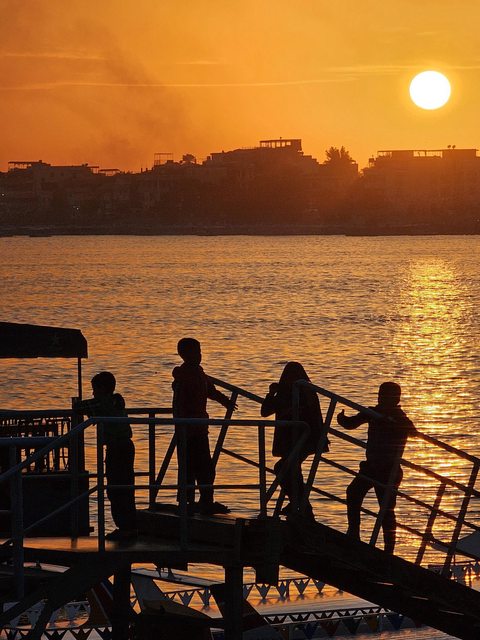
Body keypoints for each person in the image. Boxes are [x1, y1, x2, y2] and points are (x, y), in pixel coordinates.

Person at [337, 381, 415, 554]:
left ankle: (389, 549)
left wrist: (391, 421)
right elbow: (352, 423)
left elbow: (413, 431)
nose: (380, 399)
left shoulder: (400, 417)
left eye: (385, 396)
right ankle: (354, 533)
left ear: (395, 399)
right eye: (380, 395)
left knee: (386, 509)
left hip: (389, 470)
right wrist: (342, 419)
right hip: (371, 467)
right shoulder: (373, 413)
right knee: (353, 493)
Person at [172, 337, 235, 515]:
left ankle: (205, 500)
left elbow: (210, 390)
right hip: (187, 429)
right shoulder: (184, 375)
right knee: (189, 467)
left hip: (200, 428)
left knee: (205, 467)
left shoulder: (199, 372)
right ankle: (188, 502)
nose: (200, 355)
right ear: (184, 354)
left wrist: (225, 401)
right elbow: (180, 402)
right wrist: (181, 423)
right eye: (196, 352)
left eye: (200, 351)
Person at [75, 371, 137, 541]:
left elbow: (78, 408)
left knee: (115, 488)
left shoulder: (103, 402)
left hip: (116, 448)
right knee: (126, 487)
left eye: (94, 389)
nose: (93, 393)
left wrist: (77, 402)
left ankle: (125, 527)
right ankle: (129, 526)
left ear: (102, 389)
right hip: (126, 446)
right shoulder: (117, 401)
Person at [261, 362, 327, 518]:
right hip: (292, 440)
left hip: (305, 439)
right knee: (291, 470)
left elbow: (313, 415)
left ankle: (301, 505)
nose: (291, 379)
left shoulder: (307, 392)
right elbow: (265, 412)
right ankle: (301, 506)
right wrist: (271, 394)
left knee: (284, 468)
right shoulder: (284, 393)